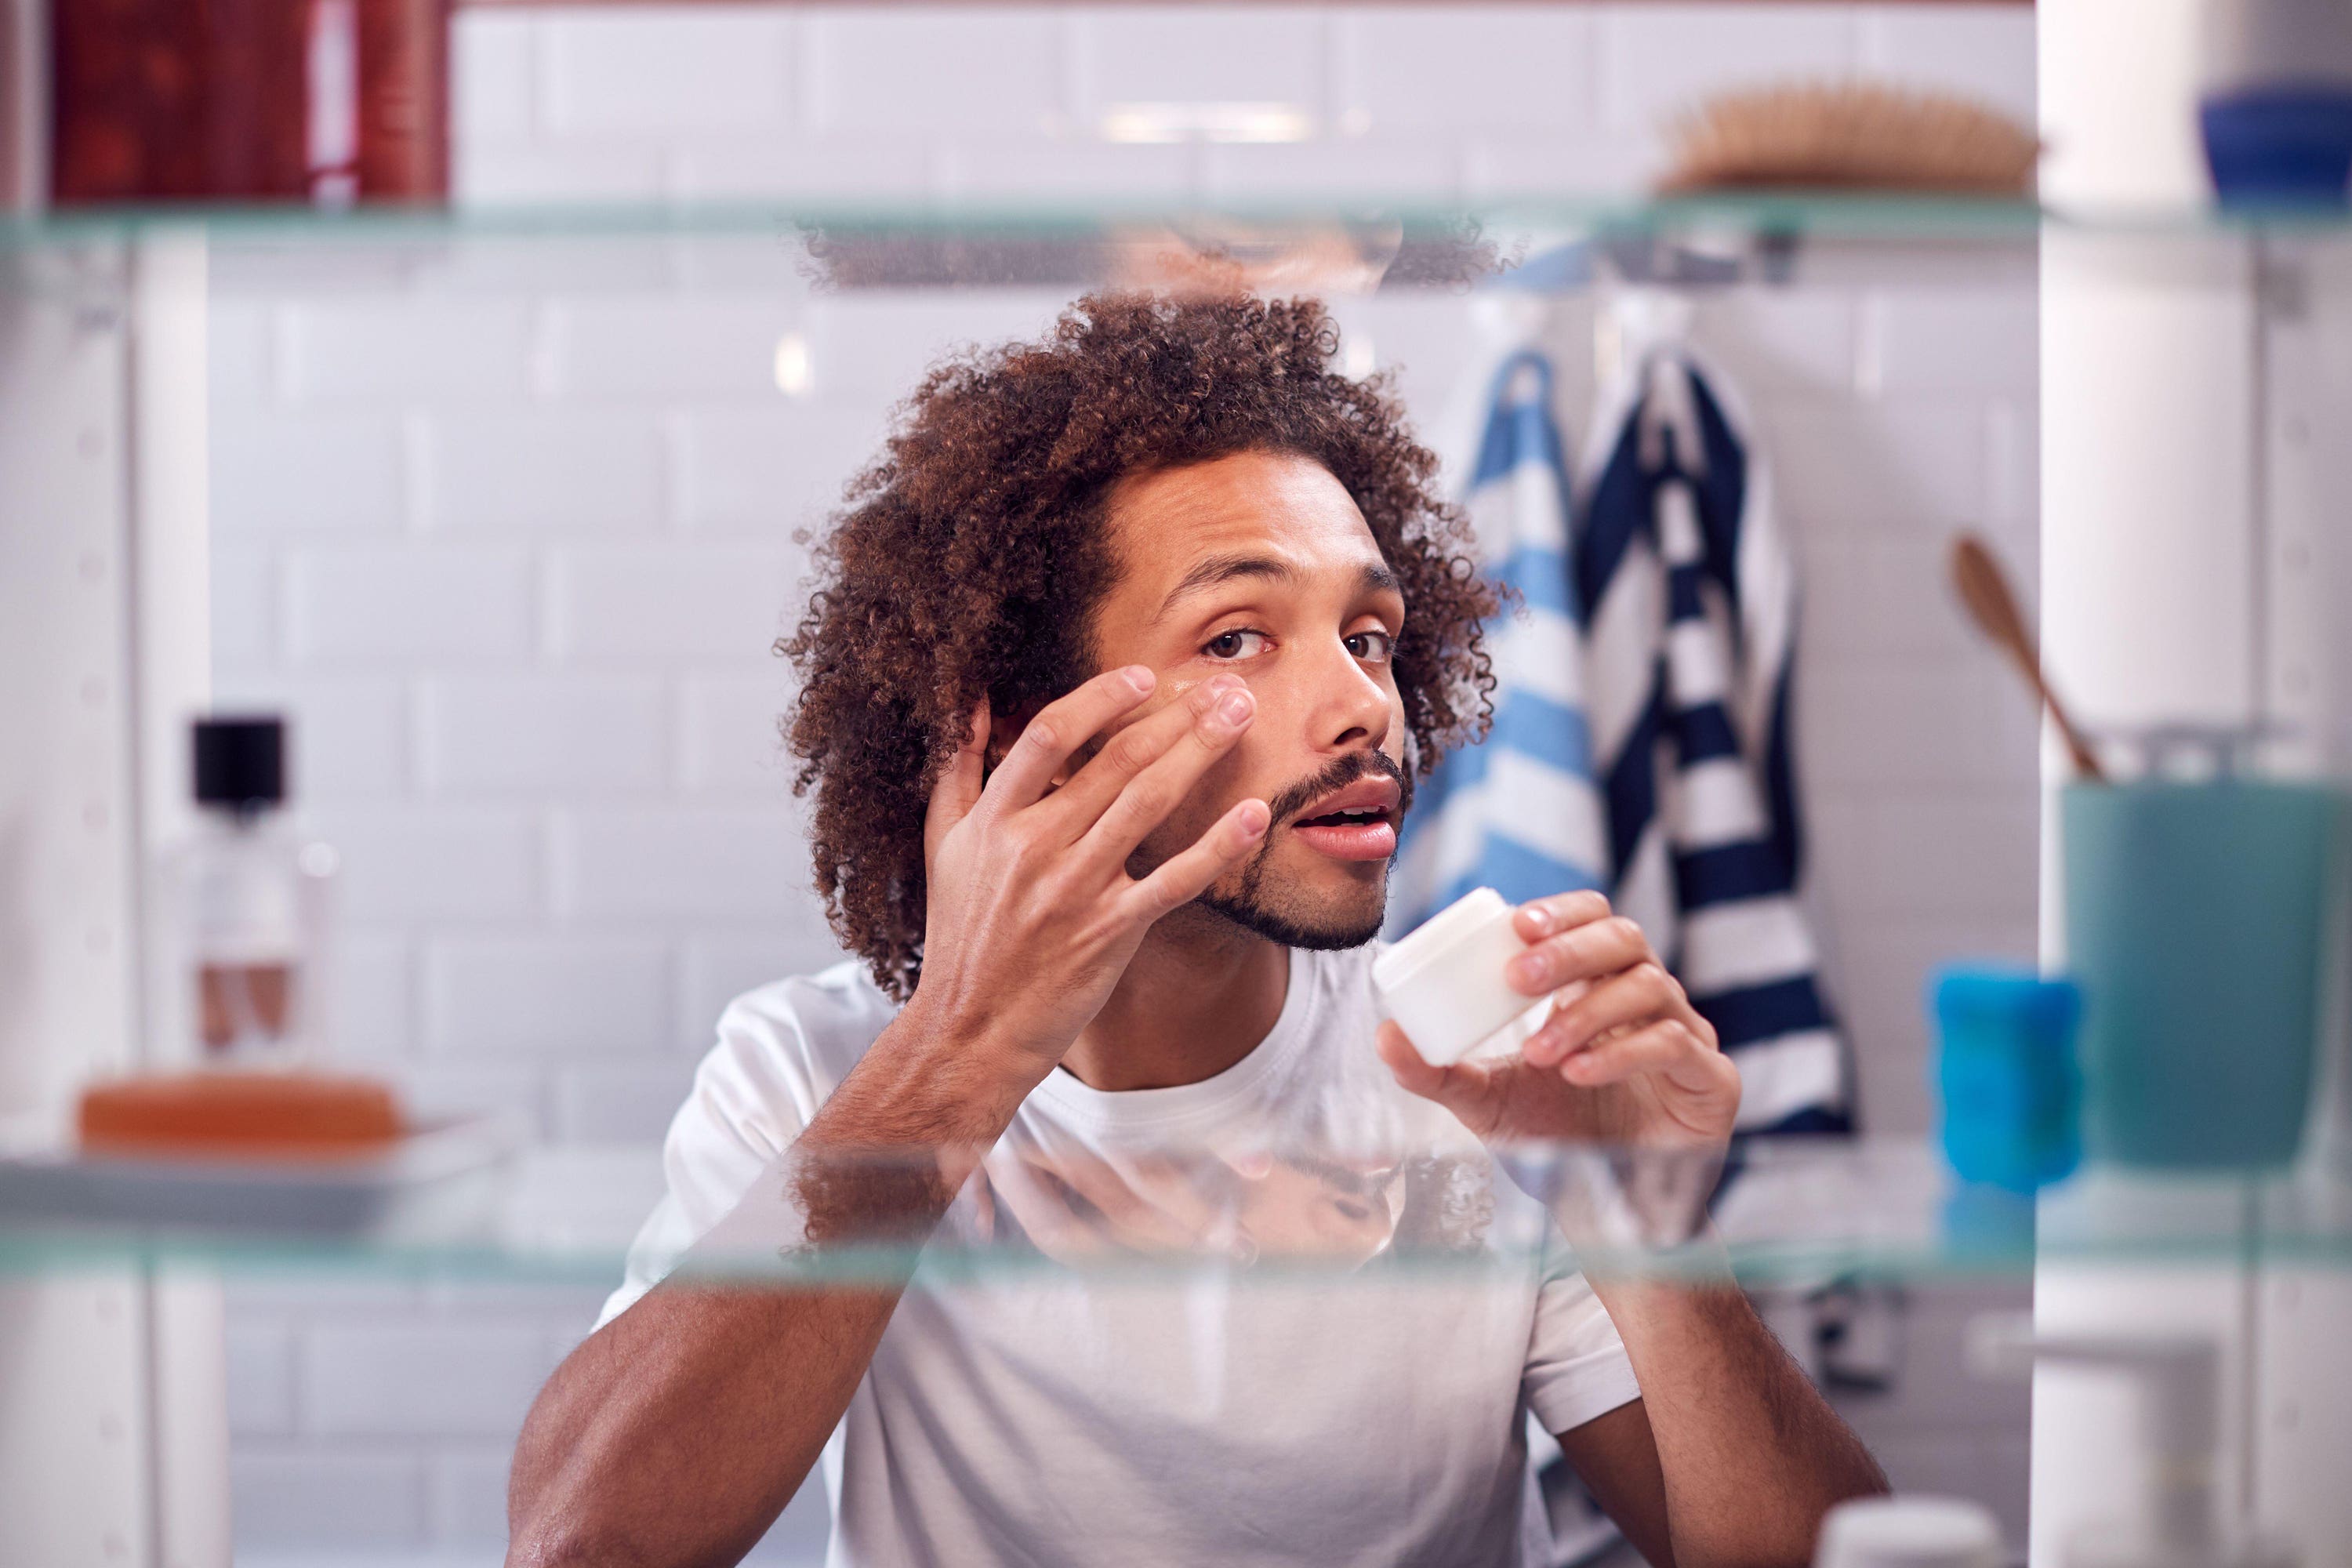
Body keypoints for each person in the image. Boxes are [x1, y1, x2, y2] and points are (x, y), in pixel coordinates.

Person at [506, 292, 1885, 1568]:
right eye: (1237, 638)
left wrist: (1650, 1226)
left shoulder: (1483, 1085)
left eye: (1369, 635)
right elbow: (578, 1547)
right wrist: (960, 1053)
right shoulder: (811, 1072)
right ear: (1021, 732)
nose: (1363, 708)